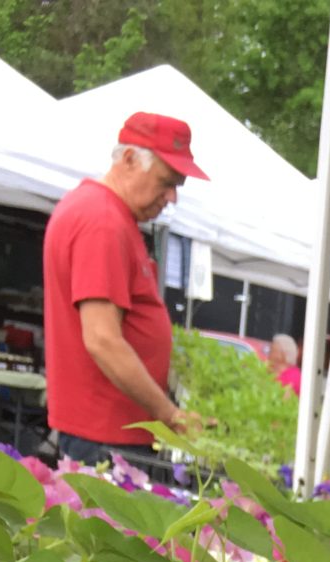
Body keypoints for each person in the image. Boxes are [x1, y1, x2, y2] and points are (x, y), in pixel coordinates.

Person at [43, 113, 207, 462]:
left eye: (178, 185)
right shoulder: (102, 221)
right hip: (105, 437)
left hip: (108, 433)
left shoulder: (106, 214)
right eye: (166, 181)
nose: (172, 197)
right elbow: (103, 339)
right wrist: (170, 414)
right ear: (130, 159)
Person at [268, 332, 301, 397]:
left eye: (272, 350)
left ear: (282, 354)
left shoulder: (293, 377)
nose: (269, 353)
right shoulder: (270, 371)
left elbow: (283, 400)